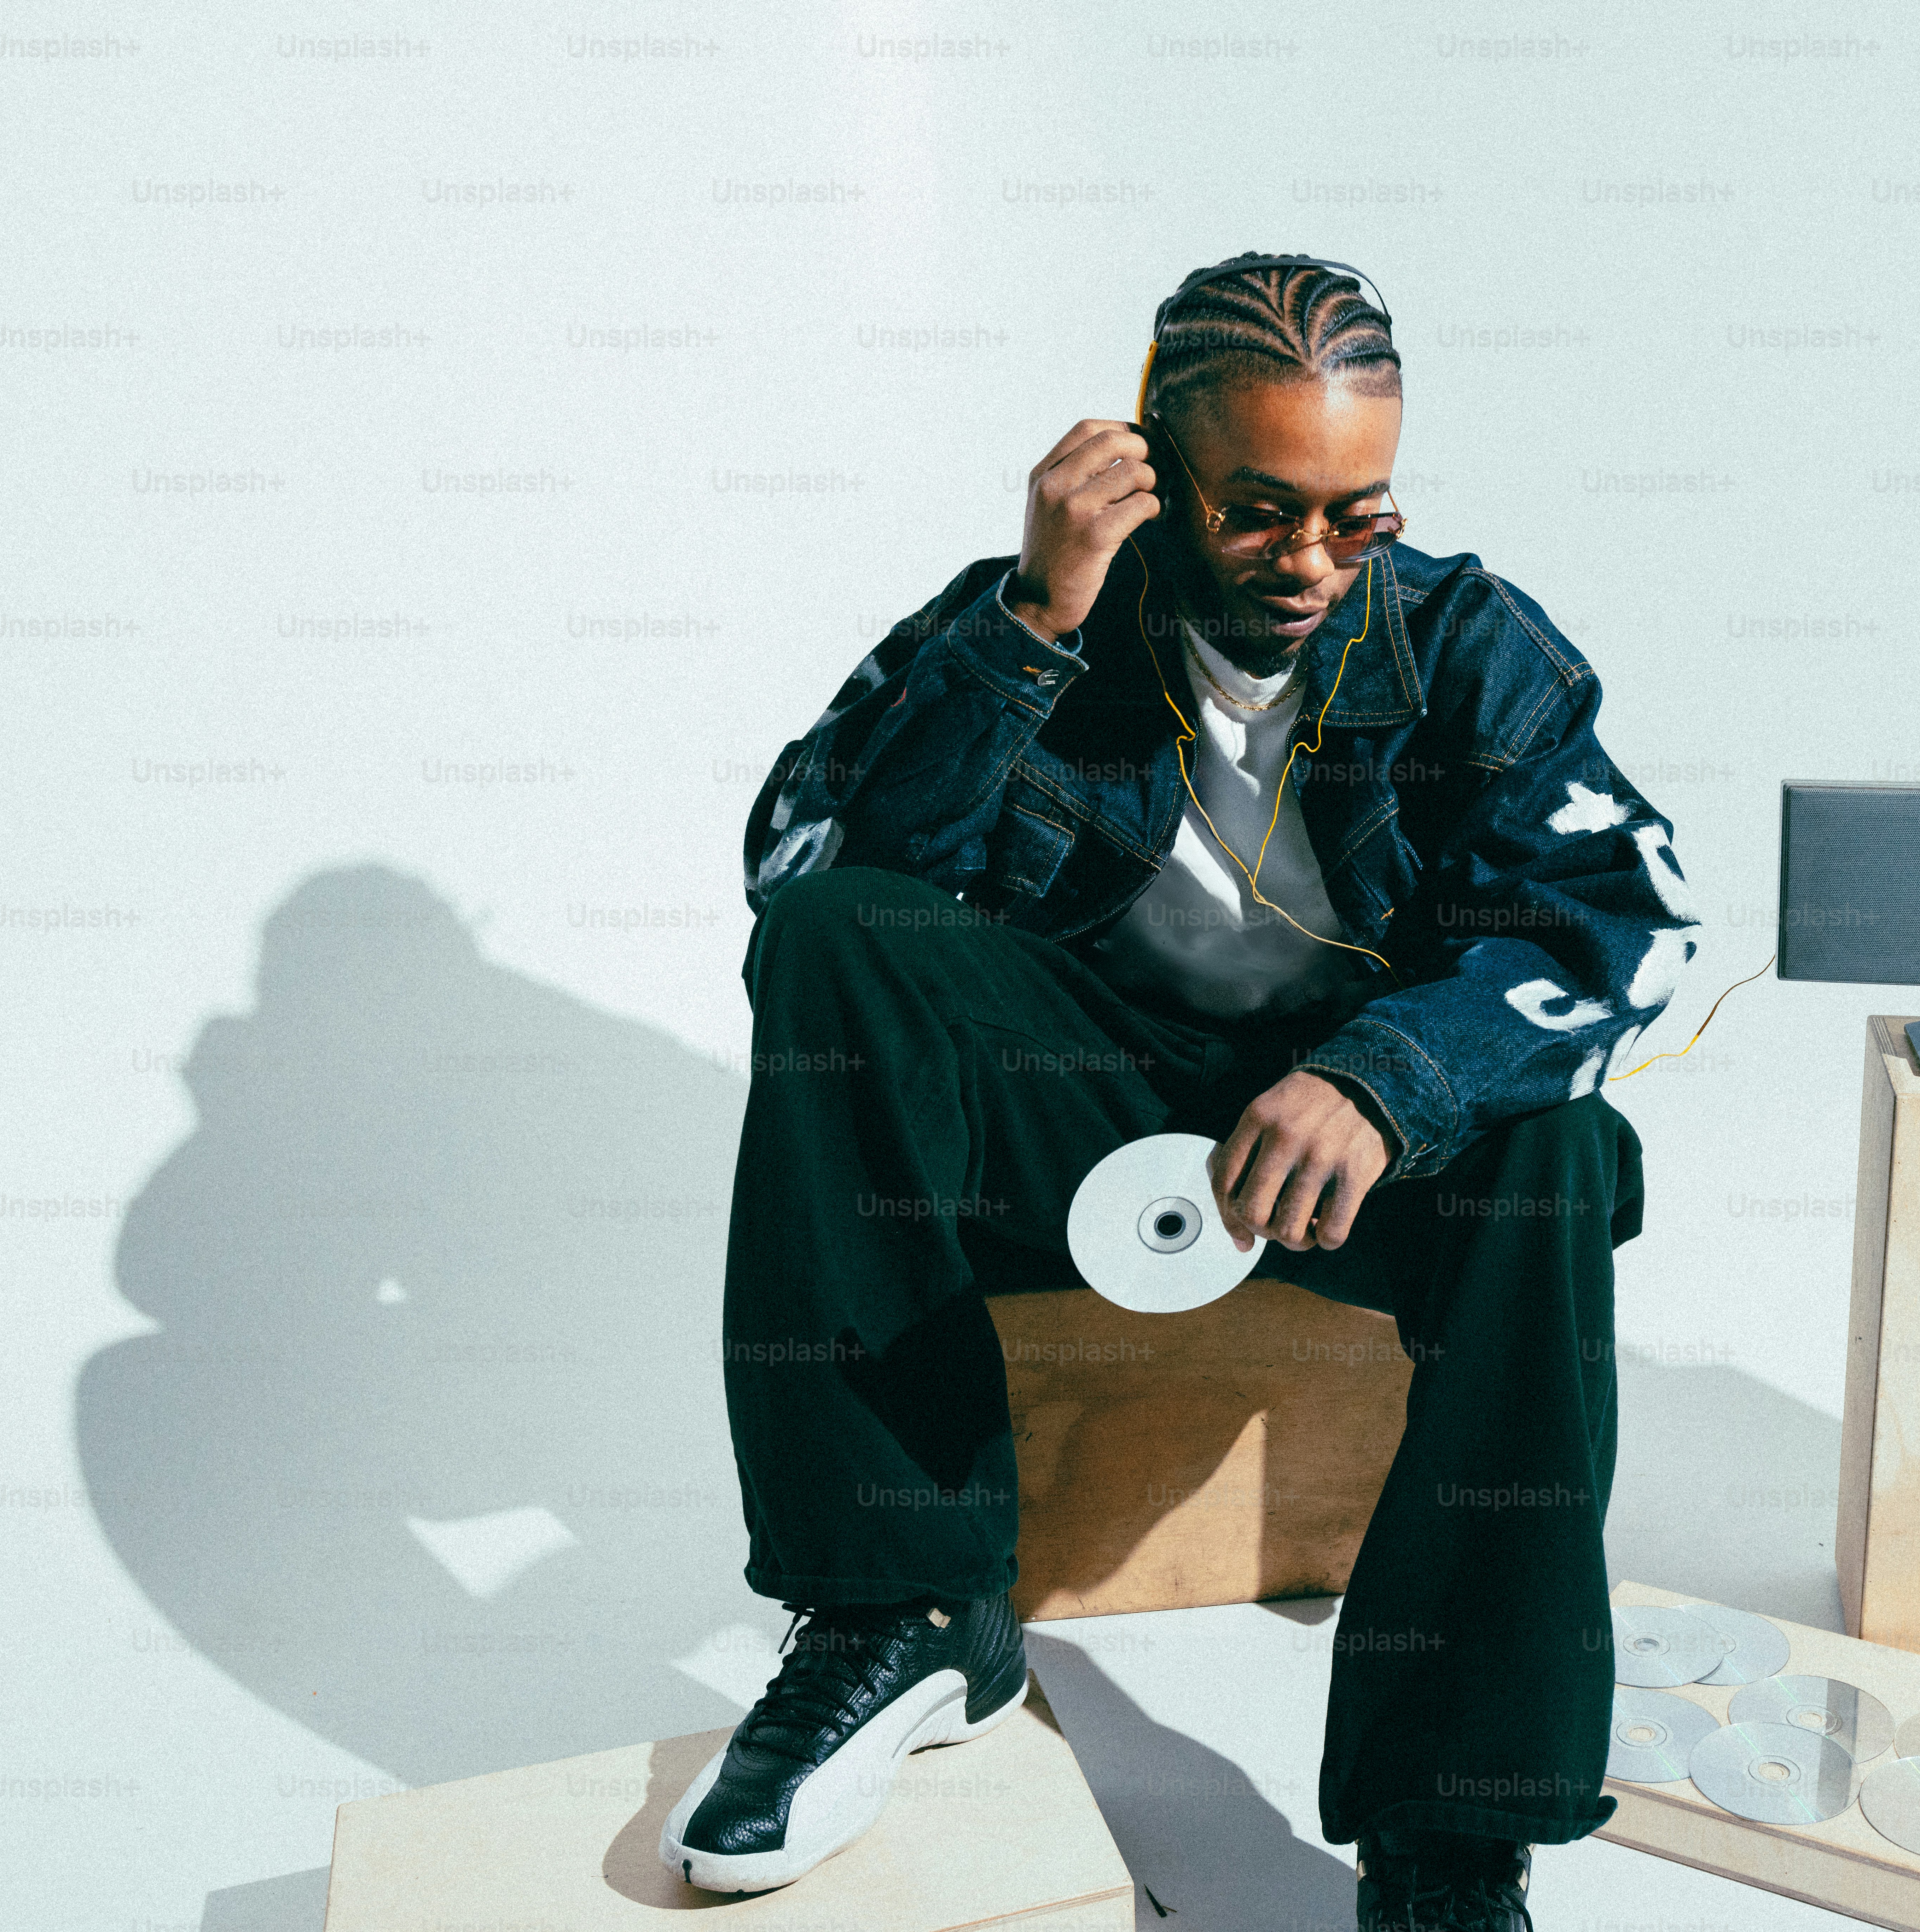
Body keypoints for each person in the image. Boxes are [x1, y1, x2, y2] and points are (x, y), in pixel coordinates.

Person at [659, 253, 1701, 1931]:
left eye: (1354, 518)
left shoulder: (1461, 644)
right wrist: (1027, 624)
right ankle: (902, 1613)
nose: (1307, 564)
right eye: (1256, 512)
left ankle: (1448, 1832)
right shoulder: (1033, 612)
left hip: (1354, 1145)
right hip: (1087, 1111)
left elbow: (1624, 919)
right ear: (1149, 456)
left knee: (1559, 1153)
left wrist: (1385, 1077)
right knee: (846, 942)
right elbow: (812, 876)